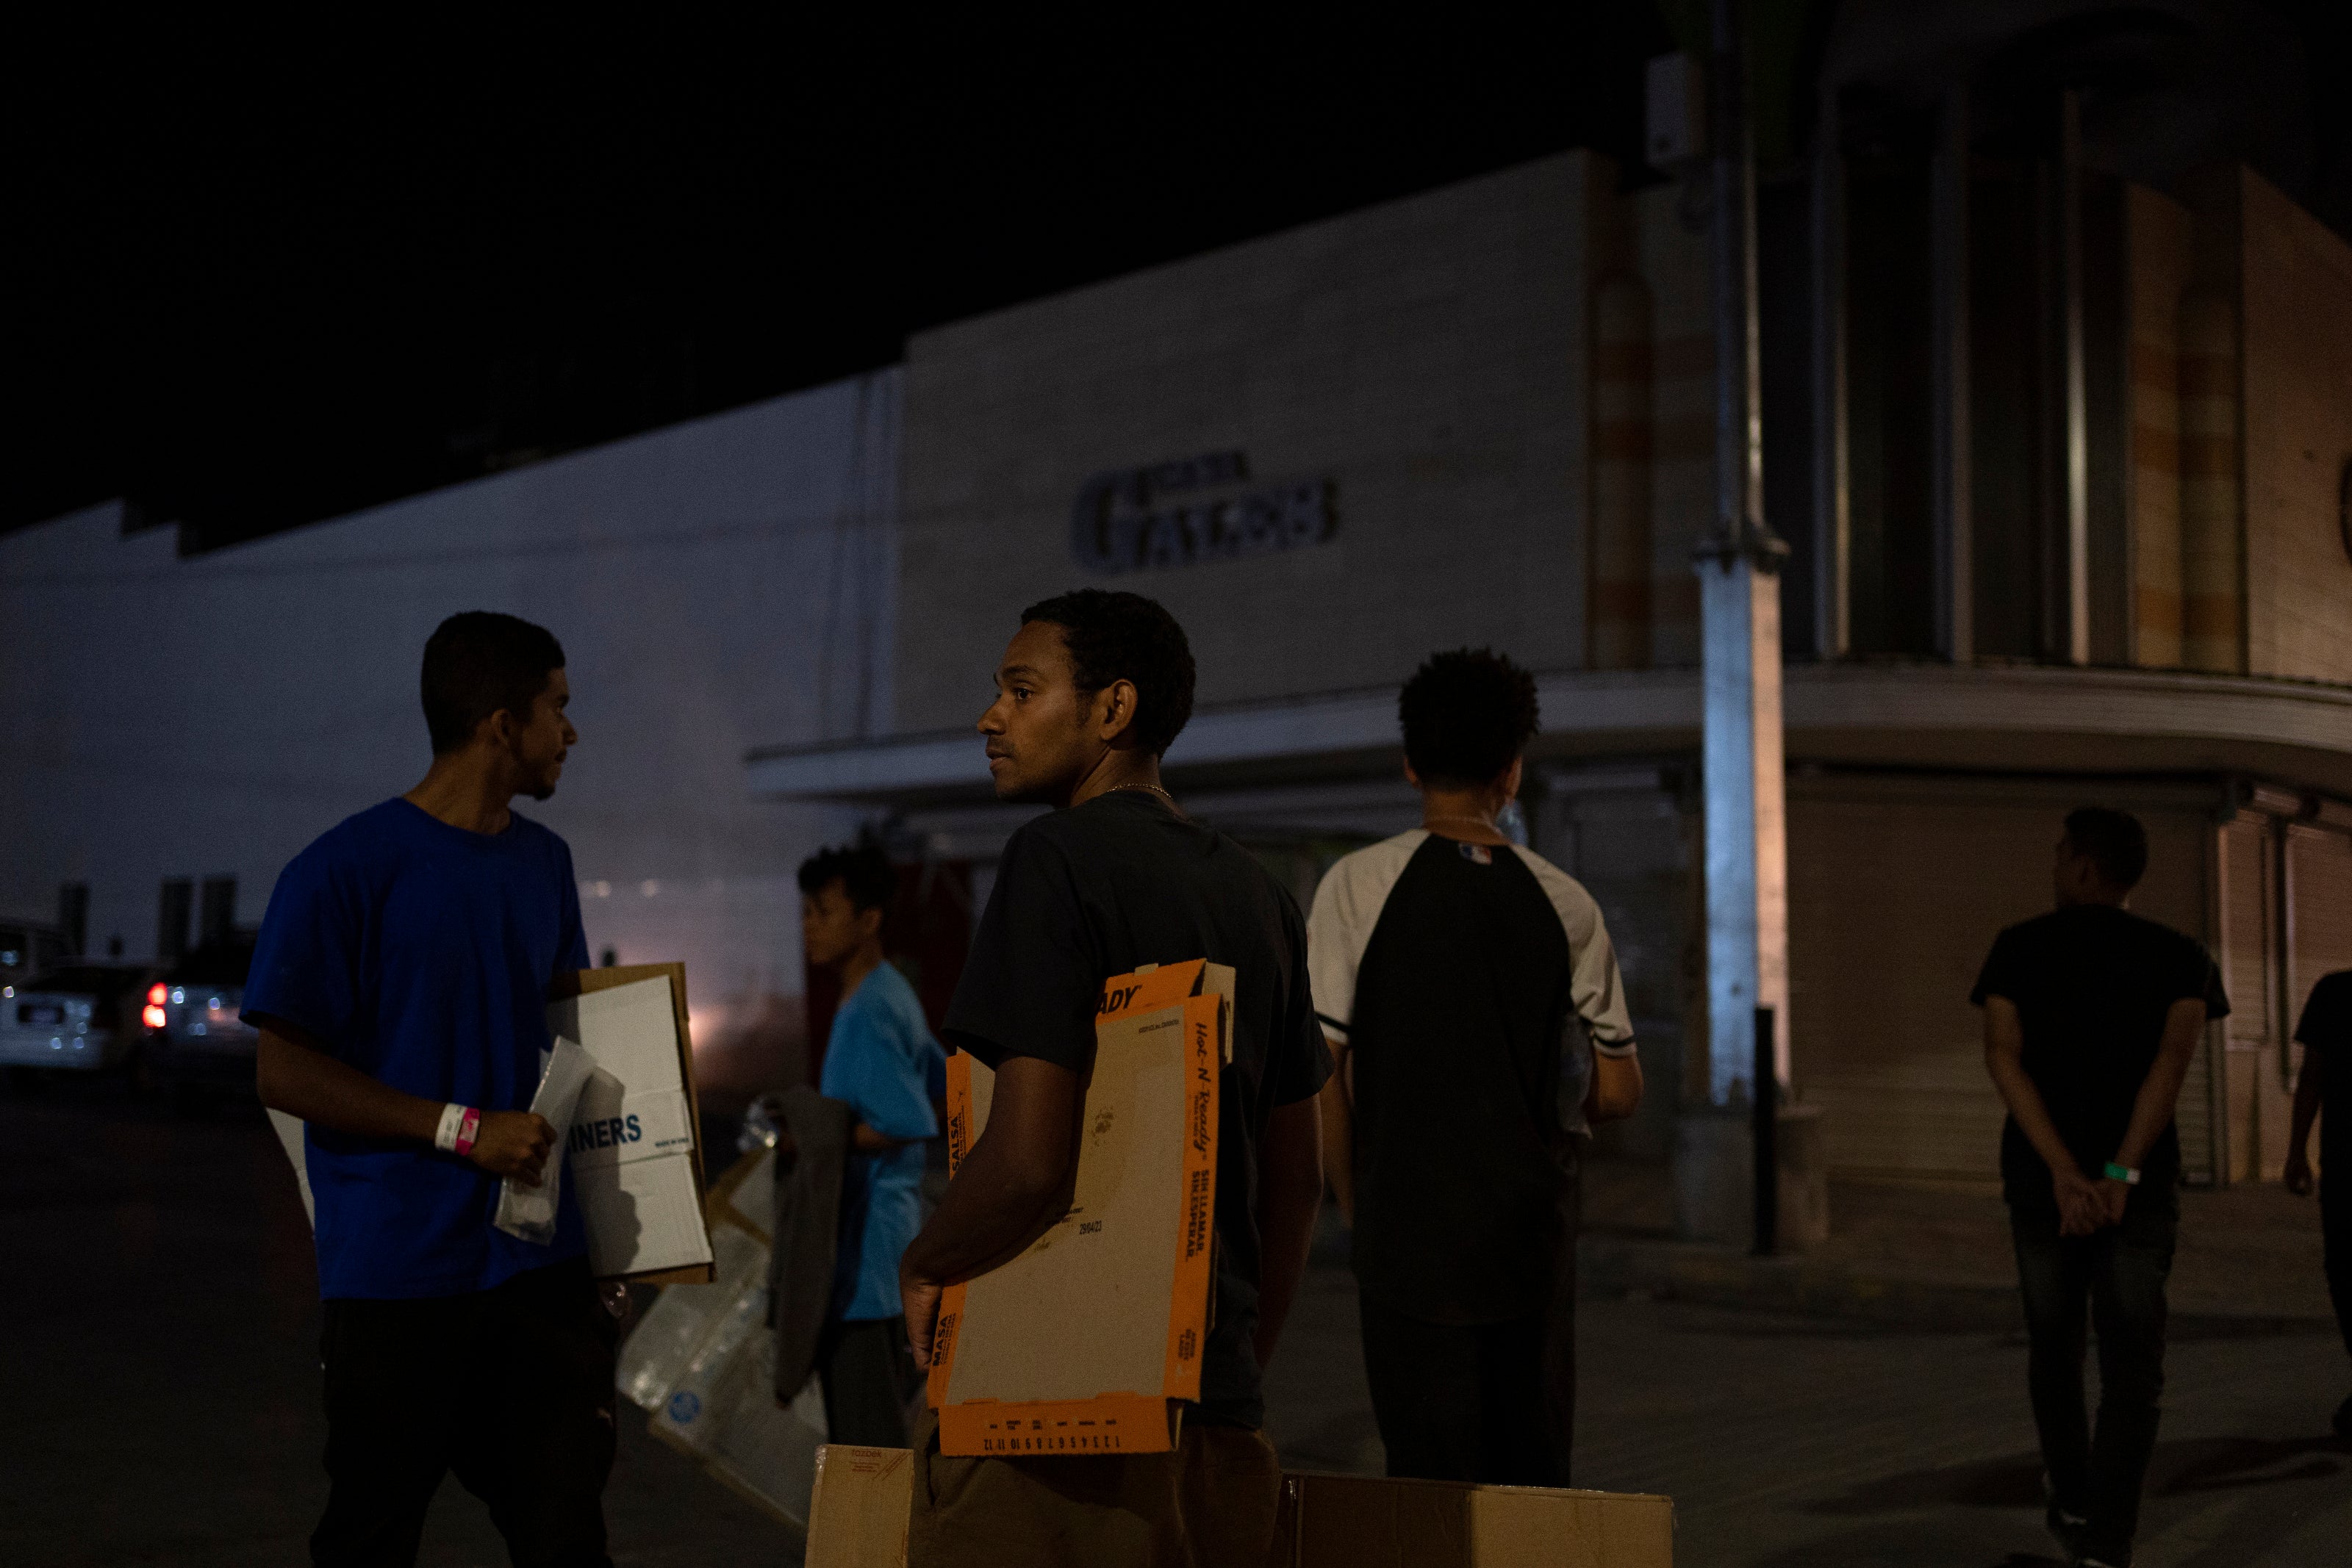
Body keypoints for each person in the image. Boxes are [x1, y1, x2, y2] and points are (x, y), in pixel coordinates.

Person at [896, 588, 1329, 1567]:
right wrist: (1231, 1367)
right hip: (1216, 1420)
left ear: (1112, 709)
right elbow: (1298, 1175)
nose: (990, 717)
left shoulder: (1053, 859)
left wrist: (925, 1261)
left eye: (1020, 688)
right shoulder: (1260, 894)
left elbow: (1031, 1155)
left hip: (1052, 1416)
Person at [248, 611, 618, 1568]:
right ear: (502, 722)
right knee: (373, 1534)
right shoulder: (343, 870)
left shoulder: (547, 863)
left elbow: (572, 1045)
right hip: (399, 1275)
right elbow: (281, 1068)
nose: (570, 733)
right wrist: (461, 1130)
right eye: (558, 708)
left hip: (538, 1272)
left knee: (567, 1535)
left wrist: (619, 1226)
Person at [1305, 647, 1641, 1489]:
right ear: (1511, 772)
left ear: (1411, 762)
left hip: (1403, 1242)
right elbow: (1619, 1088)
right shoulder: (1565, 901)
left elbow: (1322, 1078)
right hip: (1529, 1240)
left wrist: (1356, 1206)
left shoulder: (1355, 886)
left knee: (1426, 1485)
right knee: (1529, 1479)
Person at [1973, 808, 2227, 1568]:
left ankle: (2074, 1494)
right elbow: (2169, 1067)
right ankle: (2106, 1540)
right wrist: (2117, 1172)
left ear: (2084, 867)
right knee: (2130, 1361)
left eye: (2059, 855)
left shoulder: (2016, 949)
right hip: (2136, 1192)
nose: (2053, 868)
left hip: (2039, 1185)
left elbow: (2001, 1058)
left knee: (2053, 1347)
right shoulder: (2179, 956)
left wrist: (2061, 1170)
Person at [795, 839, 946, 1447]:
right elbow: (938, 1076)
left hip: (870, 1270)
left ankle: (884, 1548)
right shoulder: (884, 993)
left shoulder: (872, 1008)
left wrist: (809, 1144)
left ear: (868, 920)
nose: (809, 926)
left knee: (870, 1456)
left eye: (824, 912)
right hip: (884, 1254)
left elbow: (905, 1119)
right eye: (806, 910)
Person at [2285, 967, 2352, 1438]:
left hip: (2346, 1165)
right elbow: (2312, 1076)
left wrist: (2296, 1153)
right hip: (2345, 1165)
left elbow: (2313, 1075)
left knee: (2347, 1274)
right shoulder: (2334, 992)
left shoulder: (2335, 992)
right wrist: (2296, 1152)